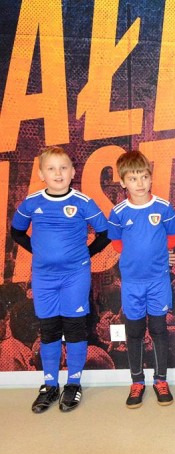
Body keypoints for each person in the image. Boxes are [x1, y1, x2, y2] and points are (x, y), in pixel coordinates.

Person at [11, 146, 110, 412]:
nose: (58, 173)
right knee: (49, 330)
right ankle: (50, 386)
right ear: (41, 174)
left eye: (63, 167)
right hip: (44, 278)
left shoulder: (83, 202)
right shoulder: (31, 203)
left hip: (75, 277)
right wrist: (39, 251)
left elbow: (105, 233)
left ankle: (73, 384)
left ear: (73, 172)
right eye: (51, 168)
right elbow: (16, 233)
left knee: (75, 328)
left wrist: (85, 254)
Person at [108, 150, 175, 408]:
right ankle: (137, 381)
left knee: (159, 330)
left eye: (144, 177)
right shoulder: (118, 212)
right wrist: (134, 258)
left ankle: (161, 380)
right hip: (132, 284)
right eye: (133, 178)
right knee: (135, 332)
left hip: (158, 282)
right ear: (123, 182)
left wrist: (161, 255)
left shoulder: (163, 208)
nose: (139, 183)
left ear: (151, 178)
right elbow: (116, 242)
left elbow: (173, 237)